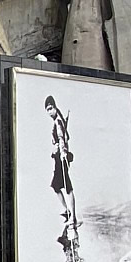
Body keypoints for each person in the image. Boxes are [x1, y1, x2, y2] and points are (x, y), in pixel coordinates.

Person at [44, 95, 77, 226]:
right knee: (56, 186)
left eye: (51, 108)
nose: (49, 112)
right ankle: (67, 210)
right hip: (59, 158)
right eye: (47, 109)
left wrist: (62, 152)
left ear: (55, 107)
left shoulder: (58, 122)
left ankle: (73, 217)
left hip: (62, 158)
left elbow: (62, 138)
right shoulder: (59, 120)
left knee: (68, 188)